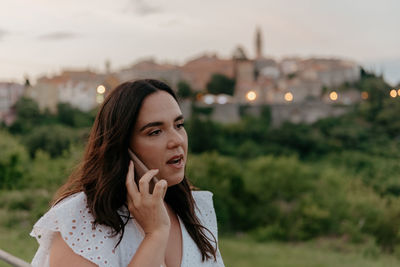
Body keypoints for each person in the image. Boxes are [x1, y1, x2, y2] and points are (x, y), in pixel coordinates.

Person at [30, 79, 225, 267]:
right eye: (155, 132)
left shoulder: (196, 209)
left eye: (179, 125)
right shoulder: (78, 222)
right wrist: (155, 234)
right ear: (122, 146)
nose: (177, 140)